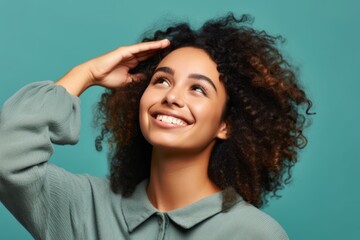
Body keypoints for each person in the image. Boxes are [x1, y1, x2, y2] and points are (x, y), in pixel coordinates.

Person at [0, 14, 312, 239]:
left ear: (226, 125)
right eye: (161, 80)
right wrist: (87, 74)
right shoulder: (83, 206)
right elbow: (5, 158)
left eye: (198, 89)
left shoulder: (253, 234)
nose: (172, 96)